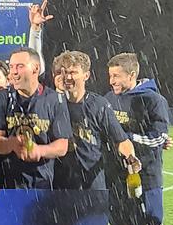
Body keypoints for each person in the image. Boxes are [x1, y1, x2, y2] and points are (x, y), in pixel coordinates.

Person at [104, 52, 169, 225]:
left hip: (145, 180)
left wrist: (126, 139)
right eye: (110, 76)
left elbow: (160, 136)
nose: (112, 81)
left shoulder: (153, 99)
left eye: (116, 76)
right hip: (116, 180)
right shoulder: (108, 99)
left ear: (132, 75)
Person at [52, 51, 138, 190]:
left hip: (92, 184)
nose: (68, 77)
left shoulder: (99, 105)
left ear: (86, 75)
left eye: (73, 72)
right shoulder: (51, 102)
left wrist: (131, 158)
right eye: (64, 72)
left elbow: (121, 140)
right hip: (59, 183)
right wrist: (59, 94)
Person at [0, 47, 71, 189]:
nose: (13, 72)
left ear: (35, 69)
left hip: (42, 183)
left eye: (20, 66)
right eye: (11, 67)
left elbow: (62, 145)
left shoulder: (55, 99)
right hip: (9, 184)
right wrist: (11, 144)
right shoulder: (3, 98)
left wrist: (39, 151)